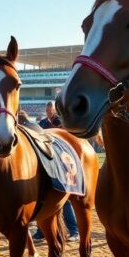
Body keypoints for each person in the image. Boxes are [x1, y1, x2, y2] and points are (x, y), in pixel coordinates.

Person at [33, 102, 79, 242]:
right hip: (45, 162)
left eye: (50, 110)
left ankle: (74, 230)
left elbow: (64, 138)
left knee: (64, 199)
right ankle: (41, 231)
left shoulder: (59, 122)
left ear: (54, 110)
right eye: (47, 110)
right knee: (42, 197)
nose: (48, 112)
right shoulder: (41, 123)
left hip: (60, 162)